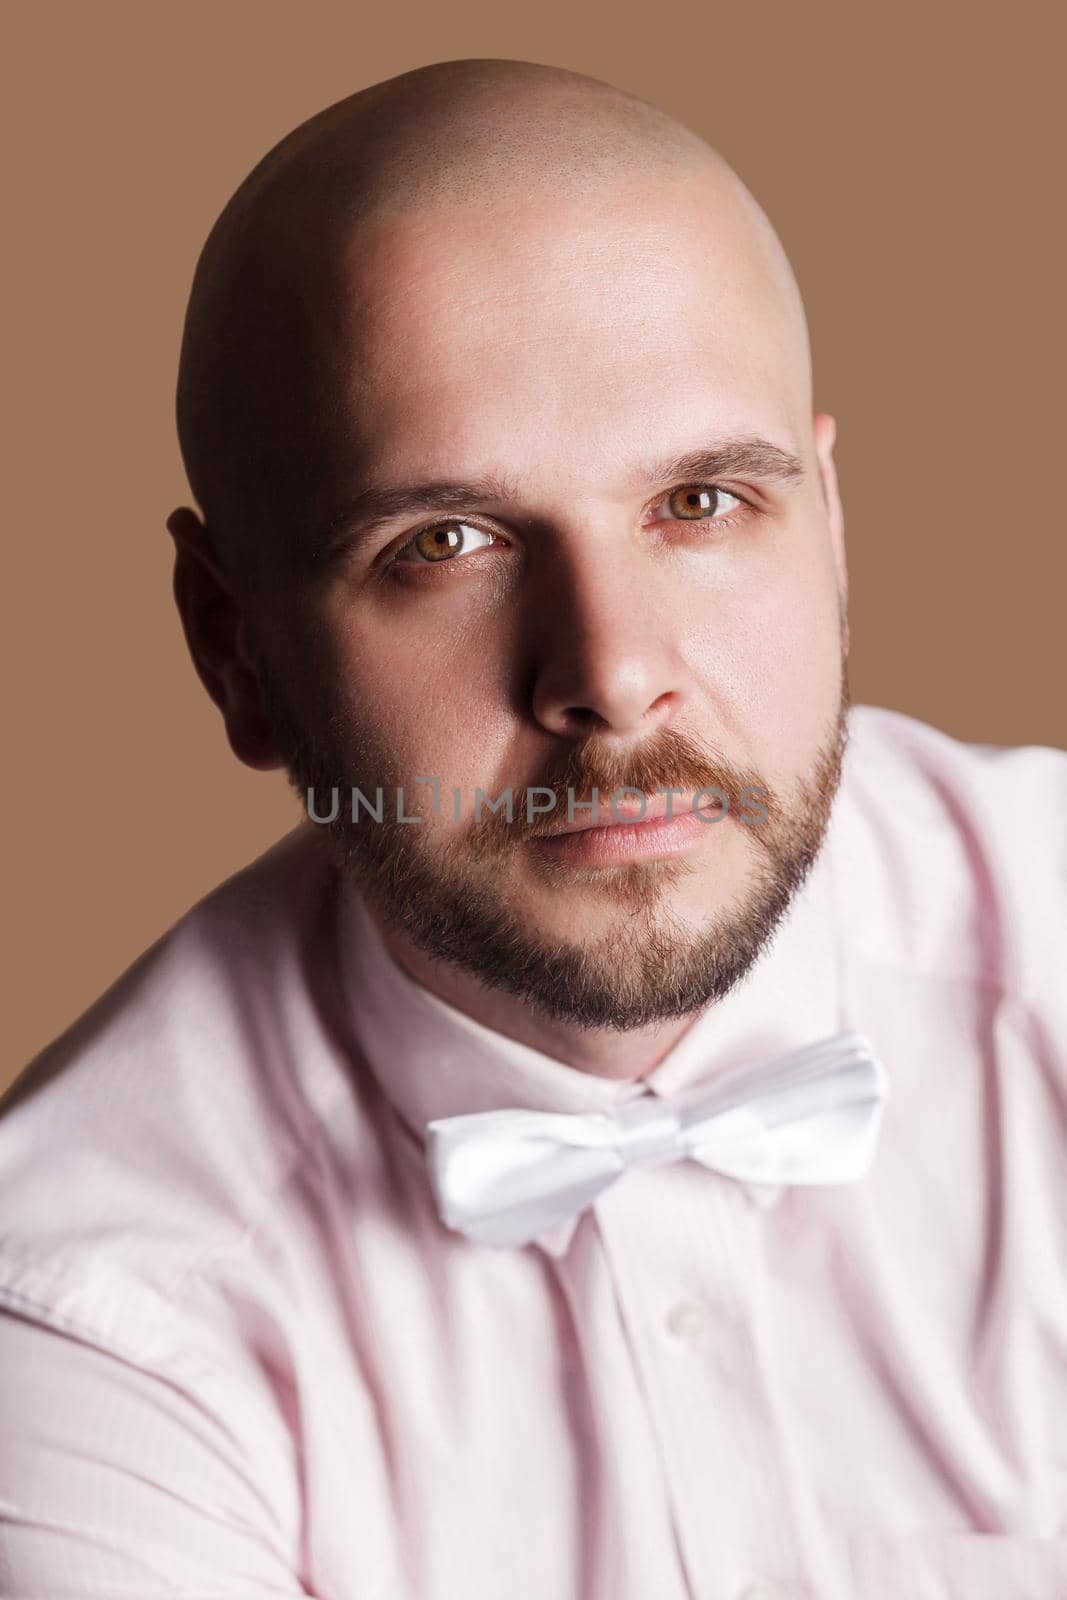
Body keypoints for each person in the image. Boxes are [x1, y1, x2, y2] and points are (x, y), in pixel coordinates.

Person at [1, 56, 1064, 1600]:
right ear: (234, 647)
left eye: (701, 503)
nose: (613, 676)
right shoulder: (88, 1315)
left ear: (831, 534)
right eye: (447, 542)